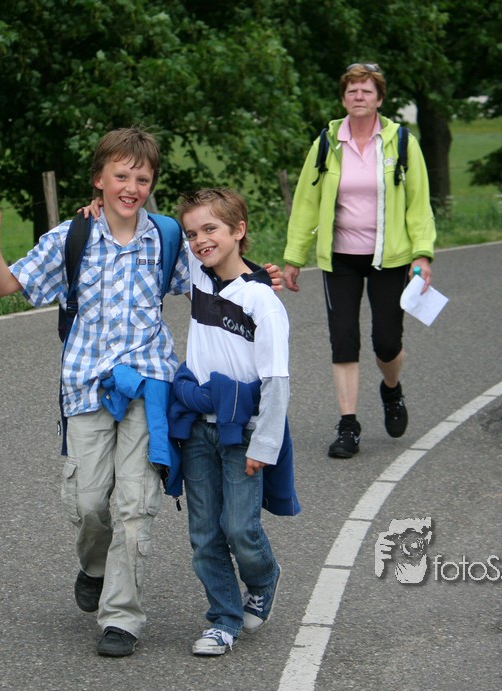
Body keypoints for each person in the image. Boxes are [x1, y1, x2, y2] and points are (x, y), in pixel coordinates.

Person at [0, 128, 282, 658]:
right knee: (89, 503)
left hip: (150, 386)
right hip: (85, 387)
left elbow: (213, 271)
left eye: (142, 178)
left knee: (135, 507)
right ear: (99, 180)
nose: (131, 187)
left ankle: (121, 618)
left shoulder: (165, 238)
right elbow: (5, 286)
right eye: (121, 176)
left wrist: (256, 276)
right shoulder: (72, 237)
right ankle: (94, 566)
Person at [282, 62, 436, 459]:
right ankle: (348, 425)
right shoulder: (327, 144)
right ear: (343, 98)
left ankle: (391, 390)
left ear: (380, 99)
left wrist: (422, 254)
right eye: (352, 91)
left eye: (367, 91)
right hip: (340, 259)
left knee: (387, 342)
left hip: (391, 258)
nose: (359, 97)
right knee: (344, 340)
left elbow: (419, 205)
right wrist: (294, 256)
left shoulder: (402, 143)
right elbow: (306, 203)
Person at [169, 188, 296, 656]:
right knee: (204, 534)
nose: (200, 240)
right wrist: (99, 205)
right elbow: (143, 221)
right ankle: (223, 619)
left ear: (239, 230)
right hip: (197, 429)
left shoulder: (263, 301)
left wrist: (265, 444)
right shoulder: (198, 277)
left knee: (240, 529)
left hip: (243, 431)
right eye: (192, 233)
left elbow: (276, 380)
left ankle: (263, 578)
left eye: (211, 229)